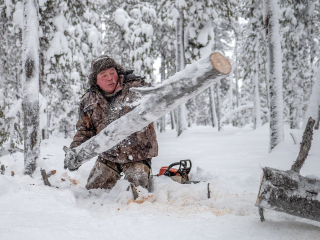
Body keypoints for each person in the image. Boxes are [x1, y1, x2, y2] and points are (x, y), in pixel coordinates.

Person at [68, 55, 158, 190]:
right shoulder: (89, 100)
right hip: (108, 157)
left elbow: (157, 102)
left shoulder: (136, 88)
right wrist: (74, 153)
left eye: (112, 73)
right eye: (103, 75)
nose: (110, 78)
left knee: (137, 191)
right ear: (96, 81)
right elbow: (84, 130)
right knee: (93, 192)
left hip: (138, 155)